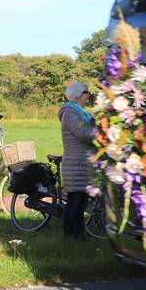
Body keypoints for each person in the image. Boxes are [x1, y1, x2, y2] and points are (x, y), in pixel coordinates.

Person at [59, 82, 95, 238]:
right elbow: (84, 134)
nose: (89, 95)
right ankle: (69, 236)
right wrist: (104, 134)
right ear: (79, 95)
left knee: (82, 202)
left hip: (82, 163)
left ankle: (79, 235)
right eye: (86, 92)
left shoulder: (81, 113)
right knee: (74, 202)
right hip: (75, 164)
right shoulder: (70, 113)